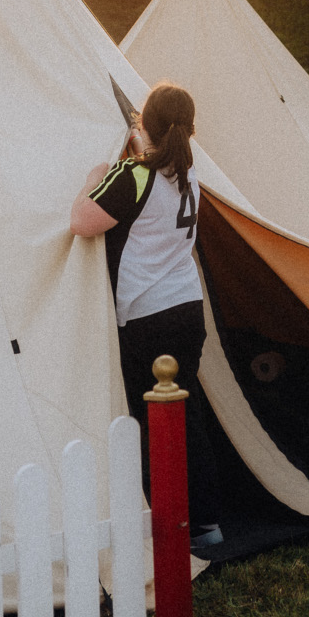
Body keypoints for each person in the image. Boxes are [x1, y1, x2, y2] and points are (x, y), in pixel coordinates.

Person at [70, 81, 225, 554]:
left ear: (143, 125)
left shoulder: (130, 176)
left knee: (147, 421)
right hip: (186, 308)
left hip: (146, 316)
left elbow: (81, 221)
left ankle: (168, 522)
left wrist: (99, 171)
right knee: (186, 412)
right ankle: (206, 521)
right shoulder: (191, 174)